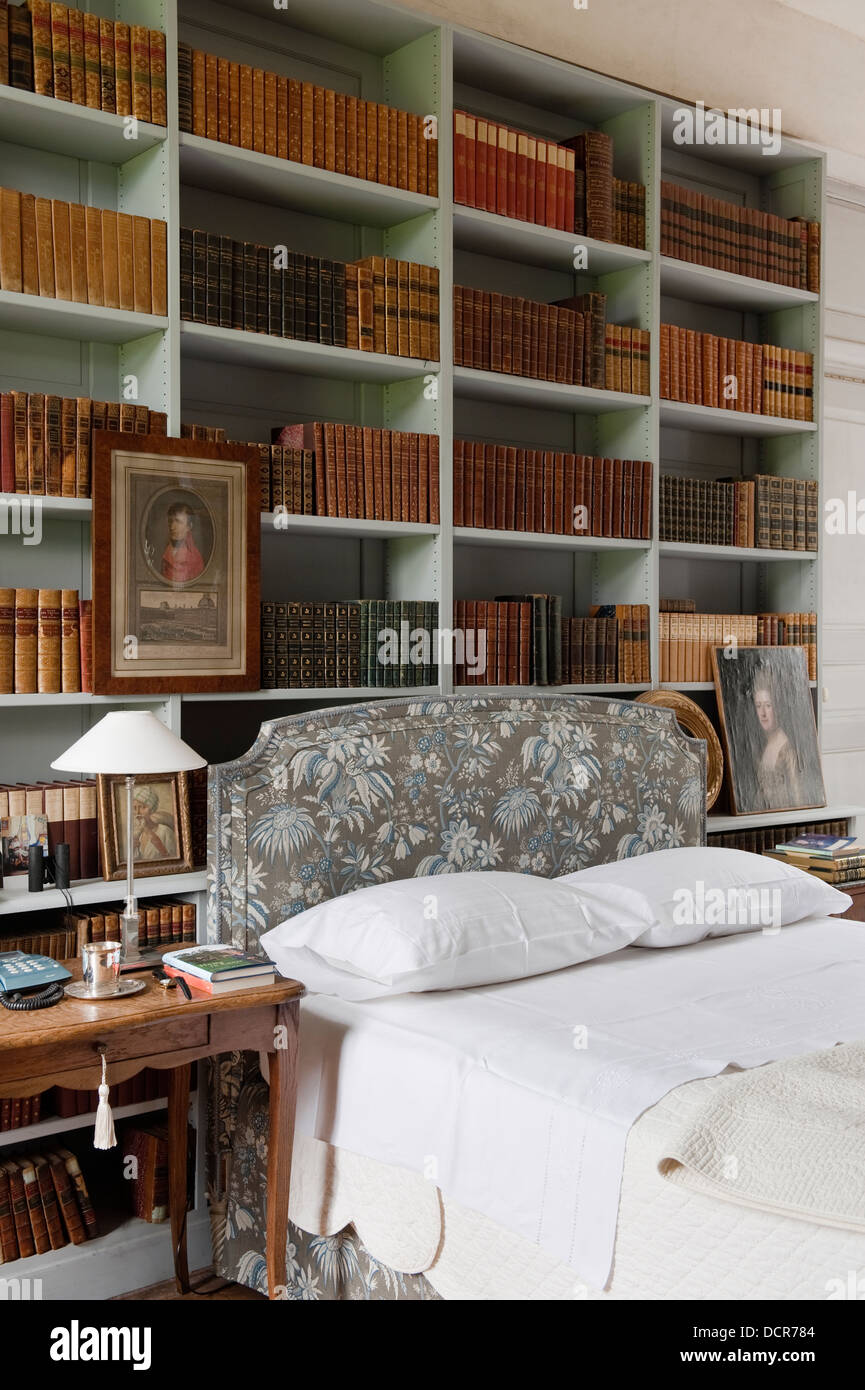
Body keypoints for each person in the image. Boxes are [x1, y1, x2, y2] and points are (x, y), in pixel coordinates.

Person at [750, 666, 802, 808]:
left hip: (782, 816)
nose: (763, 713)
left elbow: (797, 797)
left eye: (768, 705)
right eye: (758, 706)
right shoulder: (762, 743)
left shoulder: (786, 747)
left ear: (776, 707)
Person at [130, 785, 177, 862]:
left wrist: (151, 834)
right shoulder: (138, 835)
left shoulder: (165, 832)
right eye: (135, 808)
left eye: (142, 807)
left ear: (151, 809)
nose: (137, 812)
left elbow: (174, 861)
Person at [161, 502, 204, 582]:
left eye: (178, 522)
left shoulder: (194, 558)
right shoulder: (165, 550)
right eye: (171, 521)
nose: (172, 527)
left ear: (189, 526)